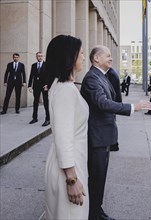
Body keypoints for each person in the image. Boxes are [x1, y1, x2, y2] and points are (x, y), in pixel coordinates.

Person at [80, 45, 151, 220]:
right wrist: (133, 107)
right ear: (96, 58)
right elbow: (103, 103)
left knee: (100, 178)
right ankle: (93, 214)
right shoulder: (92, 78)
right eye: (108, 56)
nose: (111, 59)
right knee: (96, 178)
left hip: (103, 136)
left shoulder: (101, 76)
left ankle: (96, 210)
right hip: (97, 137)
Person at [44, 35, 89, 219]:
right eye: (81, 53)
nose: (84, 58)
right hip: (69, 168)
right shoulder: (65, 90)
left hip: (66, 162)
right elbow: (63, 138)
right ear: (69, 57)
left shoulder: (61, 86)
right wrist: (72, 180)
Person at [27, 52, 50, 126]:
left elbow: (49, 76)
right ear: (36, 57)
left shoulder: (46, 65)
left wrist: (47, 85)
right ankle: (34, 118)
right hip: (36, 86)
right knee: (35, 102)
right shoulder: (34, 65)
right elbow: (31, 76)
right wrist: (29, 86)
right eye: (38, 56)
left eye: (41, 56)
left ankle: (47, 119)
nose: (40, 57)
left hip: (44, 86)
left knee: (46, 102)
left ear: (43, 57)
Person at [106, 67, 122, 152]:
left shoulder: (110, 74)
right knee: (112, 123)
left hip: (112, 103)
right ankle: (113, 143)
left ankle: (114, 144)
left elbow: (111, 91)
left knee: (111, 123)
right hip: (114, 103)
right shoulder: (111, 72)